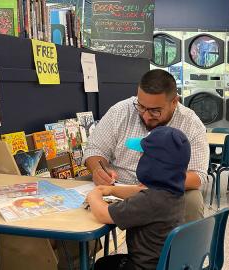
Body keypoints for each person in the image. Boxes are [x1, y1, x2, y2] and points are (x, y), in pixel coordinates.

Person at [83, 69, 209, 222]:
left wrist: (157, 183)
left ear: (174, 102)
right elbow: (94, 149)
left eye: (155, 111)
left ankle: (182, 246)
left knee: (193, 200)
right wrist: (98, 169)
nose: (146, 116)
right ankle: (87, 244)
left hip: (163, 190)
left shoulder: (191, 124)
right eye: (141, 106)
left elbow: (198, 176)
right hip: (118, 185)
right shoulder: (120, 111)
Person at [87, 126, 190, 270]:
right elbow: (140, 191)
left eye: (142, 155)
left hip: (142, 266)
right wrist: (111, 189)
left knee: (102, 265)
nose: (139, 157)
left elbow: (102, 214)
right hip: (163, 264)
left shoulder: (150, 201)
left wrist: (93, 195)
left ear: (153, 163)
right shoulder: (173, 193)